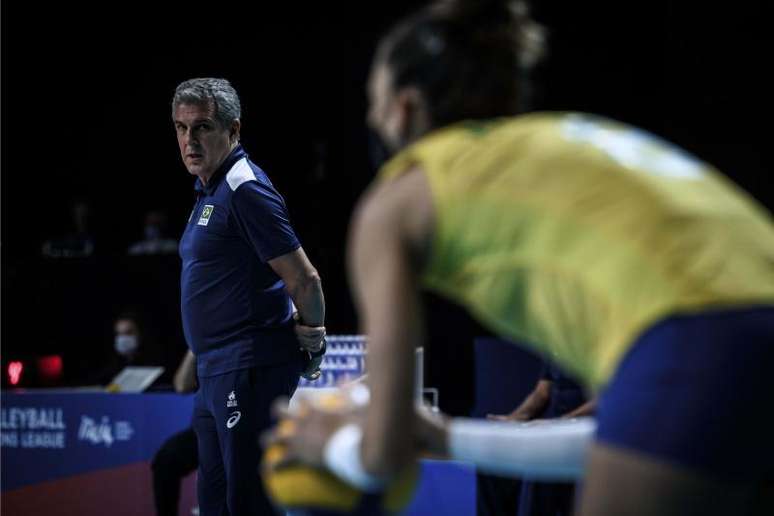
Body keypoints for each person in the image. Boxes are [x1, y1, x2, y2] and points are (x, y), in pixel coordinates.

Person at [267, 1, 774, 515]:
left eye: (370, 100)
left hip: (689, 338)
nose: (372, 117)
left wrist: (323, 443)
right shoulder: (574, 141)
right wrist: (447, 437)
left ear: (405, 107)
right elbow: (619, 438)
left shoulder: (397, 197)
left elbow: (381, 455)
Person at [173, 77, 327, 515]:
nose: (189, 140)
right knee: (215, 503)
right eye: (181, 129)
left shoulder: (245, 189)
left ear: (234, 131)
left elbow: (305, 279)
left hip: (249, 365)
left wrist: (313, 338)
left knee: (248, 504)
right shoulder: (209, 188)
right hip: (215, 371)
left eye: (202, 127)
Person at [481, 363, 594, 516]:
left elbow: (605, 399)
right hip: (552, 435)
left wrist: (559, 424)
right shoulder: (558, 344)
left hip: (588, 438)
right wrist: (512, 419)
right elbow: (541, 393)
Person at [151, 350, 198, 516]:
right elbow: (181, 386)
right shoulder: (203, 344)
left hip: (236, 424)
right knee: (166, 459)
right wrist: (193, 349)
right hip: (204, 430)